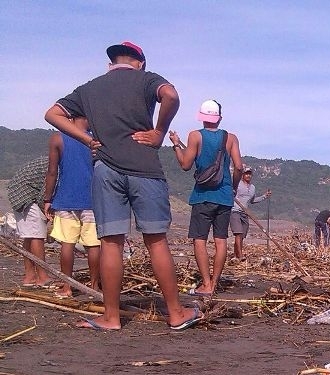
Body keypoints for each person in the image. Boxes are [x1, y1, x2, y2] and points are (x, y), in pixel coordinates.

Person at [45, 41, 202, 331]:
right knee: (156, 240)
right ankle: (176, 313)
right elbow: (171, 95)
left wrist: (86, 139)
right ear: (140, 63)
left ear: (110, 65)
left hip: (106, 169)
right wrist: (158, 132)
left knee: (110, 243)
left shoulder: (90, 88)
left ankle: (111, 317)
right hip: (144, 166)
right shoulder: (147, 79)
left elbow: (51, 114)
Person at [169, 99, 244, 297]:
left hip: (202, 196)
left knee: (200, 240)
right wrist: (233, 188)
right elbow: (238, 167)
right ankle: (214, 283)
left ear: (202, 118)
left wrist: (176, 145)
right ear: (219, 118)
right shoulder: (231, 138)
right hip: (224, 198)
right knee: (221, 241)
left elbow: (185, 165)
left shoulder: (195, 136)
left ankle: (206, 283)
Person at [42, 117, 101, 299]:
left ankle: (67, 286)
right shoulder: (96, 140)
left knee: (67, 244)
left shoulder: (58, 138)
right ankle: (94, 287)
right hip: (93, 199)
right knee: (93, 245)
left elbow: (52, 171)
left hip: (66, 198)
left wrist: (47, 199)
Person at [7, 157, 52, 288]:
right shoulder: (58, 167)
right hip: (26, 195)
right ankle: (42, 276)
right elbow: (44, 195)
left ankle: (30, 276)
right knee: (37, 235)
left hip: (18, 191)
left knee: (29, 234)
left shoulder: (52, 161)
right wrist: (47, 214)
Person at [230, 166, 271, 262]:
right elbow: (230, 194)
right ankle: (240, 255)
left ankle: (236, 255)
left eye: (249, 174)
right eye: (246, 173)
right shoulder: (237, 184)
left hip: (245, 213)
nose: (248, 175)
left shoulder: (253, 188)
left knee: (242, 235)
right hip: (234, 211)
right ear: (242, 175)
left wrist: (265, 196)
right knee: (238, 233)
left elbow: (252, 201)